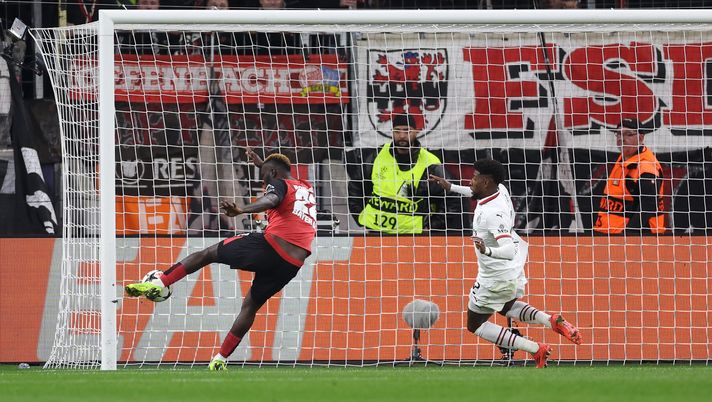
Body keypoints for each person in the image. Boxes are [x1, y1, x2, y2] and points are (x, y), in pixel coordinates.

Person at [125, 150, 317, 370]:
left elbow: (272, 197)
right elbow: (278, 180)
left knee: (207, 254)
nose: (265, 182)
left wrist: (241, 209)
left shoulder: (277, 183)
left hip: (271, 246)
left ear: (273, 173)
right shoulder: (306, 187)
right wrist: (261, 165)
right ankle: (220, 359)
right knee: (250, 306)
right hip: (292, 264)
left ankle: (159, 282)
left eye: (265, 177)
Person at [429, 158, 581, 368]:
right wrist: (451, 187)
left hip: (495, 276)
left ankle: (536, 349)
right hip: (512, 271)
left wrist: (486, 249)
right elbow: (473, 192)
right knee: (505, 307)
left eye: (475, 177)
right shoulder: (499, 188)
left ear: (486, 181)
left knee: (476, 325)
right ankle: (550, 320)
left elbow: (508, 250)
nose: (471, 180)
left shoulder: (493, 214)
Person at [347, 113, 461, 234]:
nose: (402, 136)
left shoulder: (430, 163)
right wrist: (360, 215)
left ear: (416, 132)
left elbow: (452, 196)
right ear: (392, 132)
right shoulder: (377, 156)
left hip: (413, 235)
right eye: (397, 131)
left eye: (407, 131)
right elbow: (356, 185)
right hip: (376, 231)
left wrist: (433, 225)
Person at [594, 118, 667, 235]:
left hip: (634, 241)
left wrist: (629, 236)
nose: (621, 138)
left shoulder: (646, 167)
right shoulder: (624, 158)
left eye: (628, 134)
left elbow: (649, 205)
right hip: (611, 236)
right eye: (618, 134)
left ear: (641, 138)